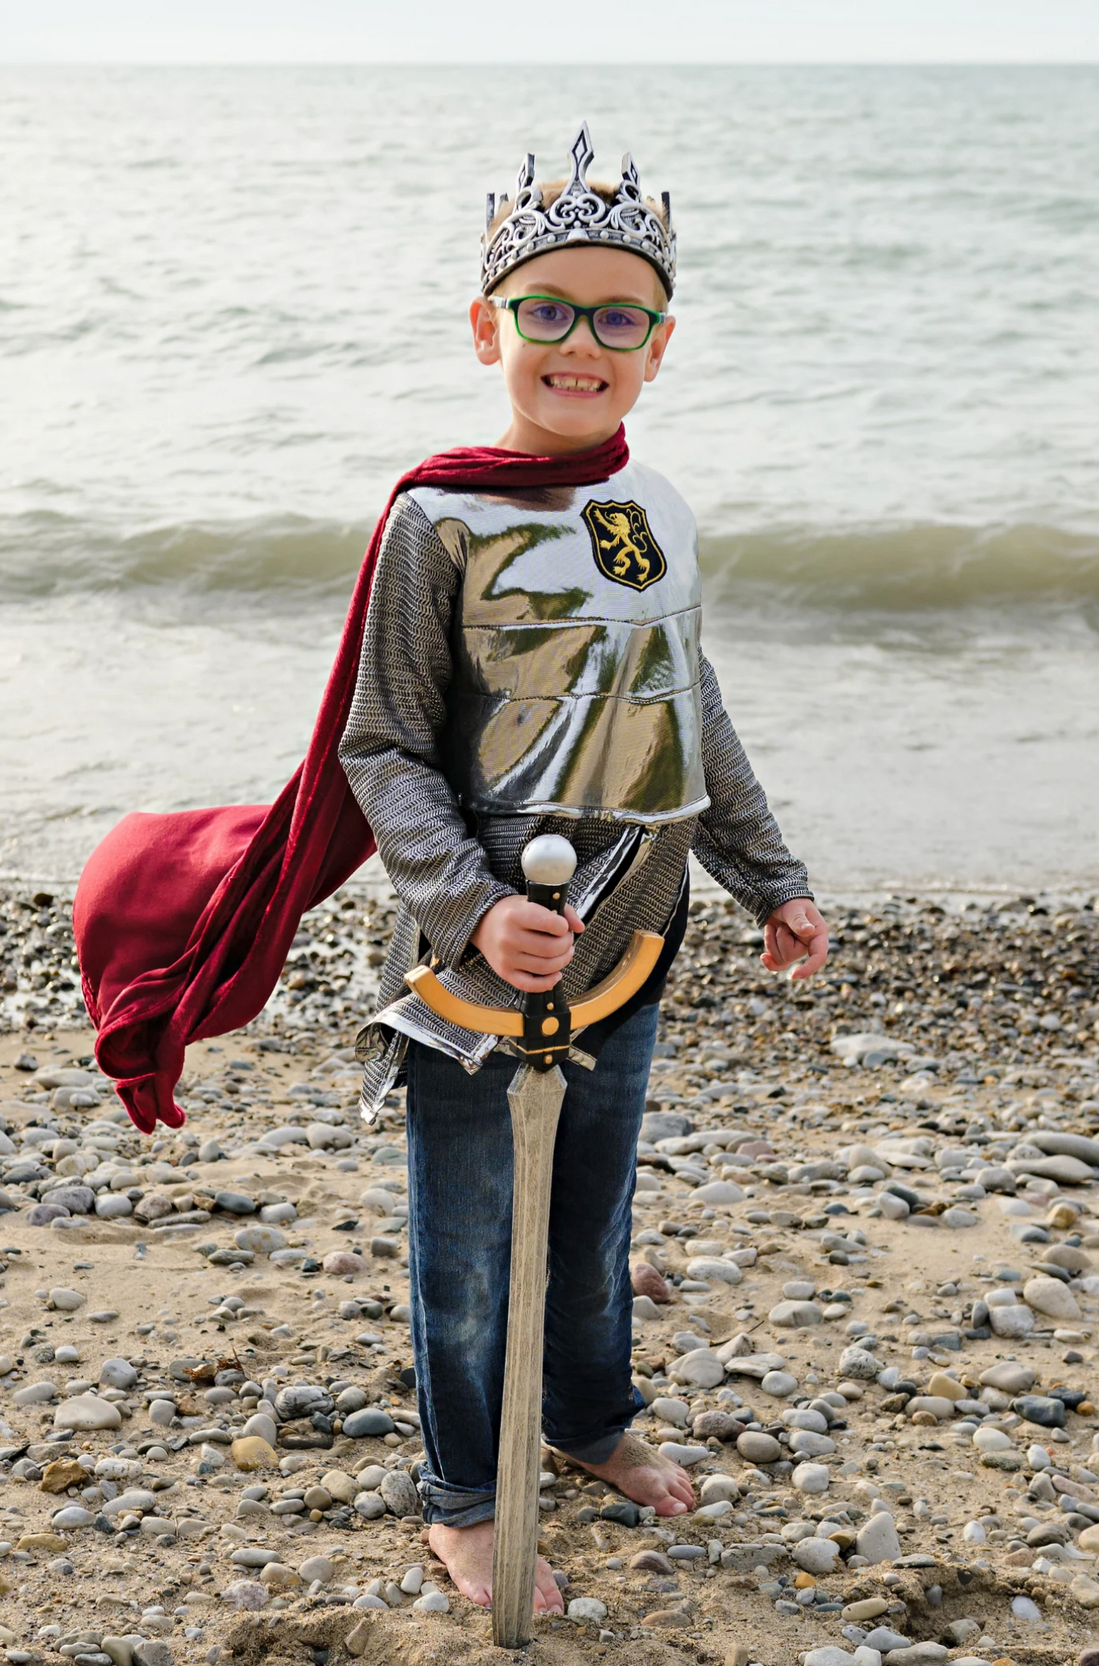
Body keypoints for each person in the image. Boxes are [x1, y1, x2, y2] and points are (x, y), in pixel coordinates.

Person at [337, 124, 829, 1616]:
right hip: (482, 957)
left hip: (636, 933)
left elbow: (694, 709)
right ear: (487, 326)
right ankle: (466, 1496)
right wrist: (475, 903)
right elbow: (383, 747)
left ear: (658, 346)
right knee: (470, 1239)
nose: (580, 342)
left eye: (618, 316)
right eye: (546, 309)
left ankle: (588, 1412)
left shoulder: (660, 511)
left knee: (595, 1201)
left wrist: (767, 873)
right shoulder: (438, 520)